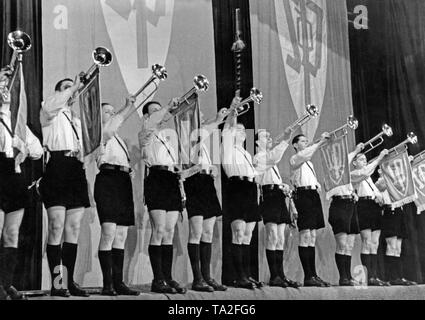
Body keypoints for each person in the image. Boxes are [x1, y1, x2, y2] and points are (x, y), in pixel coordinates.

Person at [39, 74, 90, 297]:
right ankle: (58, 283)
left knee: (73, 229)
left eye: (73, 88)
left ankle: (68, 282)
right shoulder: (49, 110)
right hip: (57, 166)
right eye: (66, 87)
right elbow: (52, 105)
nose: (73, 91)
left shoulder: (77, 120)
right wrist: (73, 87)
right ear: (58, 91)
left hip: (75, 169)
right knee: (56, 227)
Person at [0, 67, 43, 300]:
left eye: (8, 85)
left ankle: (6, 283)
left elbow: (37, 151)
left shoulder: (18, 122)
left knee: (11, 232)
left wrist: (23, 147)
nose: (5, 89)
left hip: (14, 175)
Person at [139, 100, 186, 294]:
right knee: (158, 229)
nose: (160, 114)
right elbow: (152, 124)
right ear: (147, 116)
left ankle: (167, 277)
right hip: (156, 178)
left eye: (160, 109)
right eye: (155, 111)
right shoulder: (146, 132)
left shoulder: (167, 138)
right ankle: (157, 279)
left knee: (169, 231)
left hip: (170, 180)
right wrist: (167, 107)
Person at [94, 98, 140, 296]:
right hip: (108, 180)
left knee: (121, 235)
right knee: (109, 232)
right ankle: (107, 284)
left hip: (122, 181)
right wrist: (126, 107)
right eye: (107, 112)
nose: (111, 115)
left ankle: (118, 281)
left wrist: (129, 170)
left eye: (113, 112)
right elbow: (113, 126)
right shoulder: (99, 132)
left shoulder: (119, 139)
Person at [184, 108, 228, 292]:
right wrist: (218, 119)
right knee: (196, 232)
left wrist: (211, 169)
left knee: (208, 232)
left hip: (207, 183)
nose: (201, 118)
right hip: (194, 183)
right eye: (198, 117)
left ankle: (207, 276)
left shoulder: (201, 142)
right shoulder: (186, 136)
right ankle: (197, 278)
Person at [221, 102, 262, 289]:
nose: (242, 131)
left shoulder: (246, 153)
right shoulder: (226, 147)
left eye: (244, 130)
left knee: (248, 234)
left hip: (250, 188)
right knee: (237, 232)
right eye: (238, 129)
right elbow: (228, 128)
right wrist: (233, 113)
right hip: (236, 187)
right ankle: (237, 276)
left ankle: (246, 274)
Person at [253, 128, 300, 288]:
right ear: (257, 142)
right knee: (272, 236)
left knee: (280, 238)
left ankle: (281, 274)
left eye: (269, 135)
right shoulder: (259, 157)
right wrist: (286, 139)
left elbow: (273, 174)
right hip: (269, 196)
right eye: (265, 136)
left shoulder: (271, 161)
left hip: (278, 196)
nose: (269, 137)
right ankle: (274, 276)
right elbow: (272, 158)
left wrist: (284, 186)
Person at [290, 133, 331, 287]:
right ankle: (308, 276)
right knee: (305, 235)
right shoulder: (295, 159)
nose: (306, 142)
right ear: (295, 145)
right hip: (303, 195)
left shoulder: (309, 163)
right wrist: (320, 142)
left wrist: (317, 185)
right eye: (302, 141)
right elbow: (305, 156)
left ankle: (313, 275)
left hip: (312, 195)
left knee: (313, 236)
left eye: (307, 140)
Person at [326, 143, 365, 286]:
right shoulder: (332, 171)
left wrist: (353, 194)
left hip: (350, 205)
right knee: (341, 244)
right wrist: (355, 151)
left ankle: (348, 277)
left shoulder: (346, 173)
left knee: (349, 245)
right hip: (339, 206)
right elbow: (345, 162)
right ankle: (343, 277)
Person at [351, 150, 389, 286]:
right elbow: (366, 171)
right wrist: (379, 157)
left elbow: (377, 189)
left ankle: (374, 275)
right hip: (363, 205)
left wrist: (379, 197)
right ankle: (367, 277)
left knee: (375, 243)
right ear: (354, 163)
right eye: (361, 159)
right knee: (366, 242)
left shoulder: (368, 178)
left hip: (373, 206)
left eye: (365, 159)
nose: (364, 161)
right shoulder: (354, 174)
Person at [375, 172, 417, 286]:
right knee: (391, 246)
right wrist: (385, 174)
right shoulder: (381, 180)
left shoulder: (397, 178)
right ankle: (392, 276)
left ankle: (399, 276)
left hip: (399, 211)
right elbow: (380, 187)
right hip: (390, 212)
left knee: (398, 248)